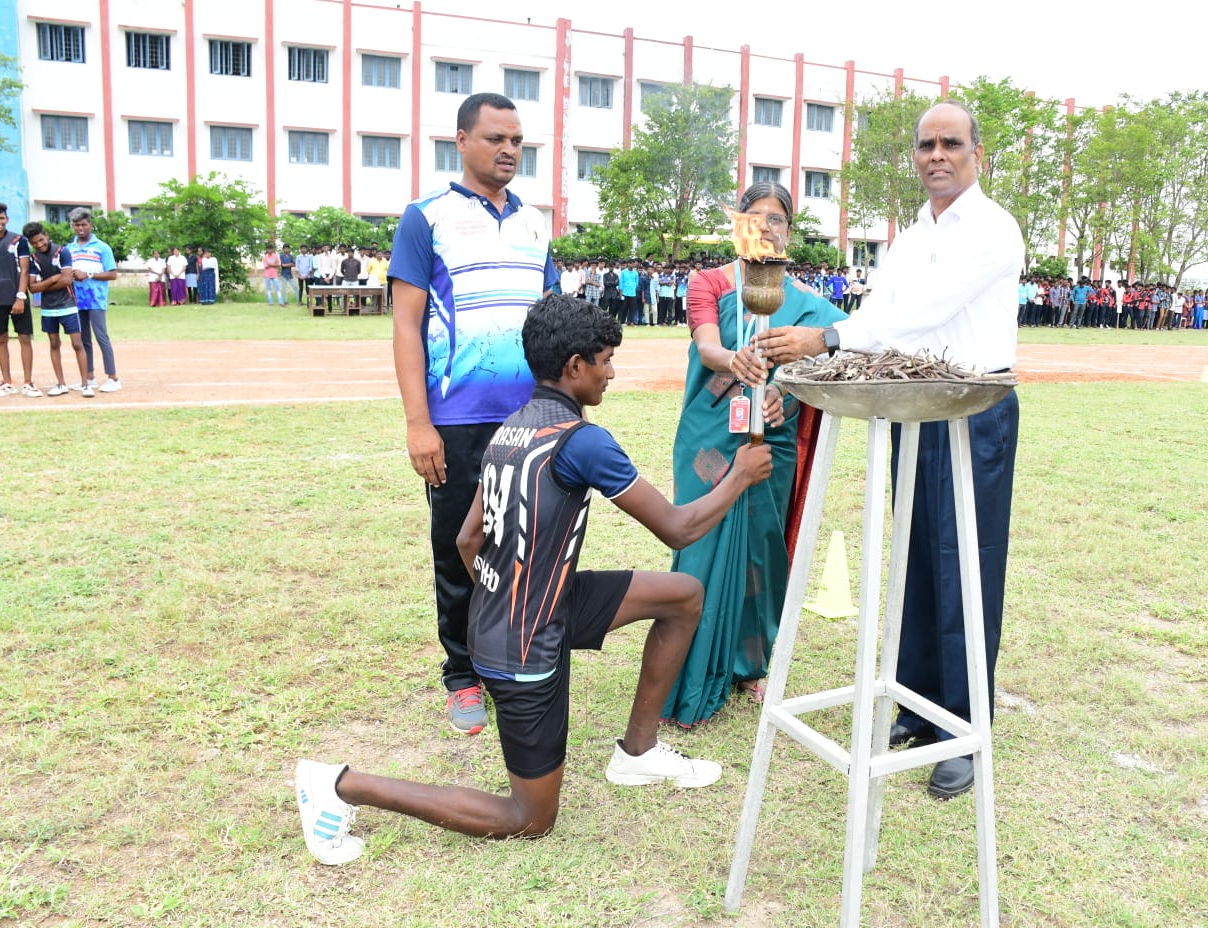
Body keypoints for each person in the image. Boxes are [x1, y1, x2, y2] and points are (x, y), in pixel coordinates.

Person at [295, 294, 774, 865]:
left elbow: (468, 540)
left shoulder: (512, 428)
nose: (612, 372)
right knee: (530, 818)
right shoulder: (582, 440)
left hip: (530, 609)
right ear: (574, 366)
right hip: (522, 647)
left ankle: (637, 752)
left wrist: (506, 597)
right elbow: (676, 528)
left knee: (682, 596)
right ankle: (340, 785)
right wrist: (739, 476)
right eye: (605, 360)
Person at [756, 101, 1023, 800]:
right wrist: (823, 330)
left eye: (952, 143)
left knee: (964, 561)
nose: (938, 155)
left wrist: (829, 339)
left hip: (973, 409)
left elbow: (923, 313)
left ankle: (962, 724)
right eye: (927, 145)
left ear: (977, 152)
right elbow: (883, 313)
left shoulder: (994, 229)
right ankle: (913, 702)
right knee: (914, 559)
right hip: (913, 404)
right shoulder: (908, 239)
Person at [389, 92, 560, 737]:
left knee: (524, 540)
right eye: (494, 138)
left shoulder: (536, 223)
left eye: (517, 140)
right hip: (454, 420)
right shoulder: (425, 218)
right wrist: (417, 422)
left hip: (530, 416)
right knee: (458, 543)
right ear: (461, 141)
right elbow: (406, 327)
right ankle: (461, 675)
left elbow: (550, 321)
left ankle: (506, 658)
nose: (509, 150)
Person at [659, 182, 846, 729]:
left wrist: (783, 390)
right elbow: (707, 344)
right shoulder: (711, 282)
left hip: (773, 440)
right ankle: (689, 662)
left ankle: (751, 661)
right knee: (702, 539)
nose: (766, 226)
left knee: (763, 551)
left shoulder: (809, 304)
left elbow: (838, 347)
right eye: (755, 216)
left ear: (790, 231)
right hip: (710, 439)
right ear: (737, 223)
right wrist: (733, 360)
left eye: (778, 218)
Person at [22, 222, 92, 398]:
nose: (39, 245)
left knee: (77, 344)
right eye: (34, 243)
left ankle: (86, 385)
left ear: (46, 235)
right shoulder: (33, 259)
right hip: (48, 309)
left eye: (40, 240)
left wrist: (44, 285)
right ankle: (61, 384)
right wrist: (53, 279)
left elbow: (67, 280)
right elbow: (33, 288)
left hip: (67, 305)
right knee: (54, 344)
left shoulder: (62, 252)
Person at [0, 201, 40, 398]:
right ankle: (7, 382)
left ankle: (28, 383)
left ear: (7, 219)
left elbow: (25, 269)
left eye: (2, 218)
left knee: (24, 337)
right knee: (1, 339)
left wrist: (20, 296)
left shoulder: (19, 240)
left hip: (16, 297)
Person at [66, 208, 121, 393]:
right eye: (76, 225)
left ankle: (113, 377)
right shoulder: (69, 248)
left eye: (83, 224)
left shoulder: (102, 247)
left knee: (101, 336)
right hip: (76, 300)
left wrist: (88, 274)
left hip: (96, 299)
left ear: (90, 224)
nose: (80, 228)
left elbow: (113, 274)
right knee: (83, 339)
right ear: (72, 226)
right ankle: (89, 377)